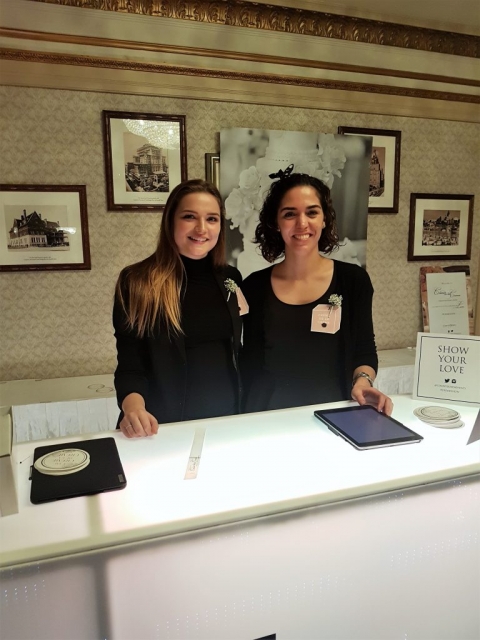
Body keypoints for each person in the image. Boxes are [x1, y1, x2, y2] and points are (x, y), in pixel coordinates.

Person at [241, 172, 393, 416]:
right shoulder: (253, 286)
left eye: (312, 212)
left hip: (333, 412)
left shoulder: (353, 281)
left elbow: (364, 349)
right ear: (276, 222)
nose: (302, 223)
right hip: (269, 416)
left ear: (324, 219)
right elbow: (249, 362)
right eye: (289, 214)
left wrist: (363, 380)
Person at [113, 179, 243, 438]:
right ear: (170, 221)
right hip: (161, 424)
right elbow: (130, 363)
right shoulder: (137, 281)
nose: (202, 228)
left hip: (227, 419)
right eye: (189, 217)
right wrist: (133, 408)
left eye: (212, 219)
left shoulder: (231, 278)